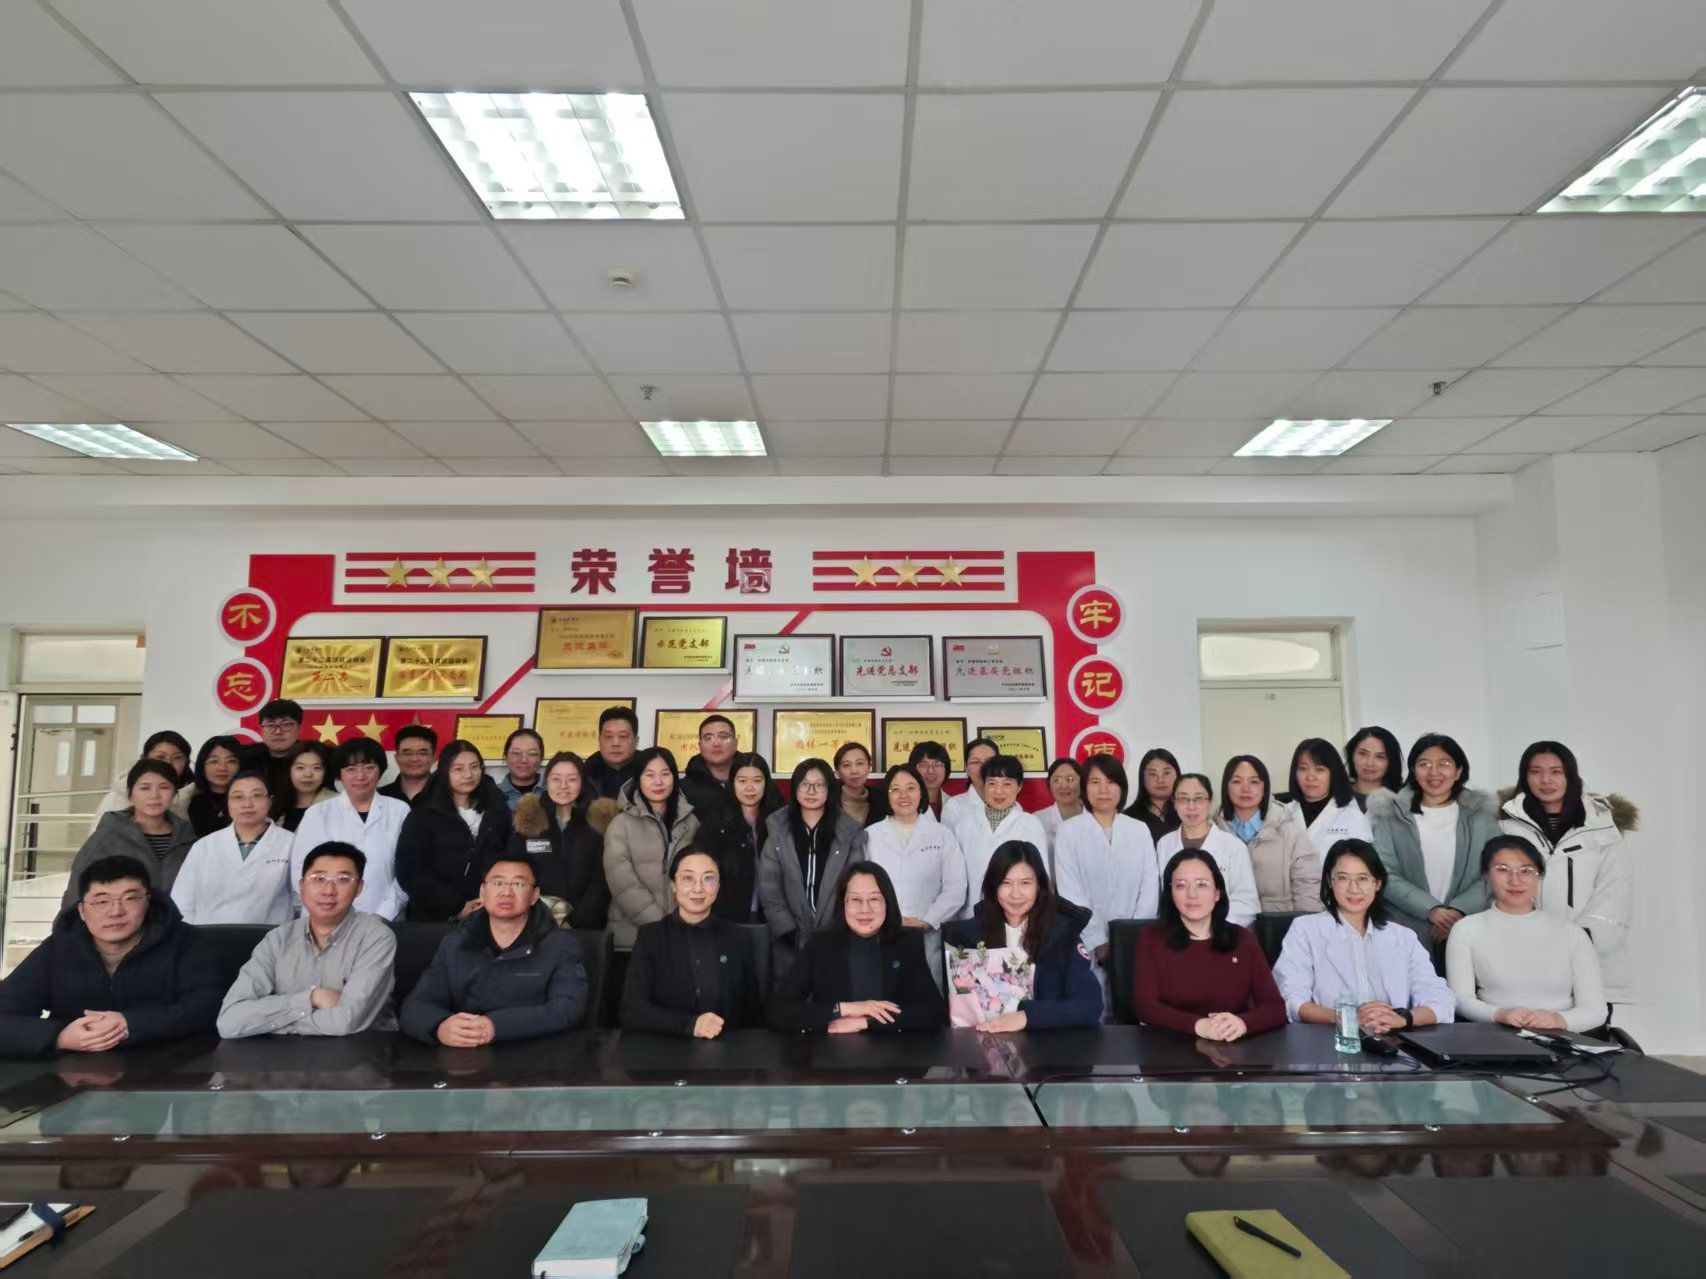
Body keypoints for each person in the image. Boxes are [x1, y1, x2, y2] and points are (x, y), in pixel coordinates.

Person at [0, 854, 221, 1056]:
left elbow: (209, 1006)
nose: (115, 911)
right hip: (74, 1071)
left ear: (148, 901)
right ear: (82, 911)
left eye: (130, 898)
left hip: (169, 1067)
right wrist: (59, 1036)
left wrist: (130, 1024)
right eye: (101, 901)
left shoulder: (184, 941)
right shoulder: (59, 948)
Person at [399, 855, 588, 1045]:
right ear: (482, 892)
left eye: (518, 884)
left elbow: (567, 1009)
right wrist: (439, 1027)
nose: (506, 892)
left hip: (535, 1053)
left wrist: (495, 1026)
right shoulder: (456, 943)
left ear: (534, 895)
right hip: (463, 1054)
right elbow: (417, 1005)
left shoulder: (560, 945)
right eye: (497, 883)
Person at [217, 842, 399, 1038]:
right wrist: (311, 998)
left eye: (343, 879)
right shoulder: (277, 939)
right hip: (285, 1053)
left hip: (361, 1049)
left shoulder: (376, 938)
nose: (328, 890)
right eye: (318, 878)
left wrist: (266, 1023)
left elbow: (345, 1022)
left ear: (359, 888)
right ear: (302, 885)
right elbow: (229, 1022)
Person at [1498, 740, 1634, 1001]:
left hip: (1594, 966)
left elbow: (1614, 896)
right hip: (1524, 964)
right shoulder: (1505, 827)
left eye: (1556, 772)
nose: (1545, 780)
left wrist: (1575, 943)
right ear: (1525, 777)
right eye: (1535, 771)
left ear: (1570, 775)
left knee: (1588, 1026)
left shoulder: (1602, 828)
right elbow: (1496, 889)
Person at [1273, 839, 1454, 1030]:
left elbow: (1441, 999)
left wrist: (1402, 1019)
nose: (1354, 889)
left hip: (1393, 1039)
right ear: (1329, 881)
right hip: (1330, 1039)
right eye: (1343, 878)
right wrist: (1347, 1018)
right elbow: (1291, 1000)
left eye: (1363, 879)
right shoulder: (1305, 930)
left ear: (1378, 884)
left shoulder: (1403, 937)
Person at [1445, 834, 1607, 1033]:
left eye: (1526, 870)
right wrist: (1499, 1014)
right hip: (1495, 1036)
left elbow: (1596, 1010)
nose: (1515, 880)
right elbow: (1460, 1000)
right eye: (1502, 869)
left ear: (1539, 876)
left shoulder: (1572, 933)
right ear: (1485, 875)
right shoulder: (1466, 929)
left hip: (1563, 1038)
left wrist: (1559, 1019)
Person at [769, 861, 944, 1034]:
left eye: (874, 899)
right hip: (832, 1048)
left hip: (892, 1048)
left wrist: (867, 1022)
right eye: (855, 900)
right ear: (843, 903)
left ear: (887, 903)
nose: (865, 909)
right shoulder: (819, 946)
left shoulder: (906, 944)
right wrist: (845, 1009)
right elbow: (778, 1011)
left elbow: (934, 1012)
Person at [943, 840, 1101, 1030]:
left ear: (1039, 886)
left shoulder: (1062, 933)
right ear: (993, 887)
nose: (1015, 894)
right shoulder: (968, 936)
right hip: (985, 1039)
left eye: (1025, 883)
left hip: (1046, 1043)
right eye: (1005, 883)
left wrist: (1027, 1017)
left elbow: (1089, 1005)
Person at [1133, 850, 1286, 1041]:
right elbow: (1146, 1007)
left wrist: (1243, 1023)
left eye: (1202, 884)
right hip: (1170, 1048)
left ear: (1217, 893)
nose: (1192, 894)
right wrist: (1198, 1025)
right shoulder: (1152, 938)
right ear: (1171, 894)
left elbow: (1275, 1008)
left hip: (1232, 1047)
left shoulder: (1242, 938)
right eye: (1181, 885)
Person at [1368, 733, 1498, 951]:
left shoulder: (1480, 815)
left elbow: (1494, 870)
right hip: (1404, 929)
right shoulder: (1390, 814)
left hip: (1468, 926)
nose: (1434, 772)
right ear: (1413, 770)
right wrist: (1431, 910)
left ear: (1458, 772)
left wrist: (1457, 911)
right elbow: (1384, 872)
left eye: (1444, 764)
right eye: (1424, 764)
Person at [619, 847, 765, 1038]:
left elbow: (754, 1013)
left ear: (718, 886)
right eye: (688, 878)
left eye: (708, 879)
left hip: (728, 1049)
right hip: (666, 1047)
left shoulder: (738, 938)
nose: (698, 888)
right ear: (673, 885)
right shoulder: (651, 938)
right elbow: (632, 1010)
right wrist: (689, 1025)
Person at [1052, 755, 1158, 1007]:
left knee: (1135, 1008)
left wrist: (1131, 935)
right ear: (1084, 788)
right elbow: (1069, 891)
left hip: (1134, 940)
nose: (1103, 790)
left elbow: (1150, 886)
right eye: (1095, 782)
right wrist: (1098, 940)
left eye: (1111, 782)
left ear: (1122, 787)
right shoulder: (1069, 831)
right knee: (1092, 1010)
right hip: (1086, 941)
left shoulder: (1139, 829)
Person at [862, 763, 967, 987]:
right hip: (880, 932)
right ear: (886, 795)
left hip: (927, 936)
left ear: (921, 793)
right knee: (882, 996)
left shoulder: (941, 834)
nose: (903, 795)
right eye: (895, 789)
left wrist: (928, 921)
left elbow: (956, 887)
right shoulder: (870, 835)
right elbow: (860, 887)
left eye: (911, 788)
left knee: (926, 996)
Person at [758, 758, 868, 969]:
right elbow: (769, 886)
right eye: (804, 784)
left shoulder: (848, 831)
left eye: (819, 785)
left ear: (830, 789)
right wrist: (787, 930)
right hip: (789, 940)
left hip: (835, 938)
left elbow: (854, 886)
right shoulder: (779, 829)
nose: (811, 791)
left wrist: (838, 929)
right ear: (795, 788)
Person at [291, 738, 411, 920]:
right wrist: (328, 908)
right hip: (325, 917)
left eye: (369, 768)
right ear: (340, 774)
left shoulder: (399, 810)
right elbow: (301, 869)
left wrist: (384, 913)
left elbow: (407, 869)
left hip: (387, 919)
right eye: (351, 769)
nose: (360, 777)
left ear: (380, 771)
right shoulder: (318, 813)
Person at [396, 740, 513, 923]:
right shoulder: (423, 814)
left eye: (474, 767)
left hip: (488, 913)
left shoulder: (497, 810)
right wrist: (457, 907)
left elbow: (509, 859)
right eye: (459, 769)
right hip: (434, 918)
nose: (468, 775)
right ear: (445, 772)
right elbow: (409, 871)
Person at [62, 759, 196, 909]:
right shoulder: (108, 836)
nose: (154, 795)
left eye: (164, 787)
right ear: (131, 794)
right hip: (117, 918)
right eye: (145, 788)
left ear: (175, 793)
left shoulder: (188, 837)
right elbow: (77, 888)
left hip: (176, 921)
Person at [602, 746, 699, 949]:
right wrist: (660, 926)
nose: (658, 782)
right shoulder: (620, 825)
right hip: (632, 938)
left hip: (683, 935)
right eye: (650, 775)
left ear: (674, 778)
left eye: (665, 774)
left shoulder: (691, 823)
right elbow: (623, 884)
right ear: (638, 779)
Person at [170, 770, 294, 925]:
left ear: (270, 800)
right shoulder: (205, 846)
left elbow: (302, 900)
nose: (247, 804)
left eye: (256, 796)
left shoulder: (291, 843)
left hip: (271, 936)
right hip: (208, 935)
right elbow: (182, 901)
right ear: (228, 802)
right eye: (238, 797)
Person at [503, 753, 609, 929]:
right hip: (534, 923)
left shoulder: (597, 823)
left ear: (582, 782)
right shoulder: (528, 820)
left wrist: (575, 920)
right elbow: (515, 874)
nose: (563, 786)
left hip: (586, 925)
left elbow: (602, 880)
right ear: (547, 782)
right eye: (556, 779)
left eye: (572, 779)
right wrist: (540, 917)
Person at [1215, 755, 1320, 915]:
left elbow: (1307, 884)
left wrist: (1305, 925)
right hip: (1230, 921)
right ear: (1226, 789)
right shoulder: (1214, 830)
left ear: (1265, 789)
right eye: (1237, 781)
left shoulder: (1288, 829)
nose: (1246, 788)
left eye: (1254, 782)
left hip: (1280, 922)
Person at [949, 754, 1047, 919]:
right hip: (971, 916)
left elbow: (1041, 876)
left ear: (1019, 786)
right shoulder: (964, 826)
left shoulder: (1031, 824)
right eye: (992, 783)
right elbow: (955, 878)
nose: (998, 791)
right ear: (983, 785)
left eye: (1007, 784)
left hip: (1018, 916)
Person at [1155, 773, 1259, 926]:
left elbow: (1246, 903)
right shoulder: (1164, 844)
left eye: (1198, 799)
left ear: (1210, 801)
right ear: (1174, 803)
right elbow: (1162, 897)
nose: (1191, 806)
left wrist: (1207, 926)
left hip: (1222, 931)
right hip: (1176, 930)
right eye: (1183, 799)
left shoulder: (1233, 846)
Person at [696, 751, 782, 926]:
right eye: (742, 781)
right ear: (732, 783)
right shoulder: (716, 822)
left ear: (766, 783)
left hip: (771, 918)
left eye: (757, 781)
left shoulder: (779, 821)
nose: (749, 788)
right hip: (726, 918)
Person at [1285, 738, 1372, 864]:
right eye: (1303, 768)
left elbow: (1364, 867)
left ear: (1333, 773)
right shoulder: (1283, 814)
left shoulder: (1354, 818)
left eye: (1319, 769)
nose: (1310, 777)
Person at [93, 730, 193, 819]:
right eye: (160, 757)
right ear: (145, 759)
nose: (168, 762)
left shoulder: (194, 796)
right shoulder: (117, 798)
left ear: (186, 762)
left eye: (177, 758)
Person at [679, 714, 741, 821]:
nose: (716, 743)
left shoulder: (756, 782)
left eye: (723, 737)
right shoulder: (682, 790)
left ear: (735, 743)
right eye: (708, 738)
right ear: (700, 746)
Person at [185, 734, 243, 838]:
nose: (222, 768)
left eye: (231, 761)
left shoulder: (250, 801)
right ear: (202, 765)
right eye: (214, 761)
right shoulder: (188, 802)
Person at [941, 737, 999, 838]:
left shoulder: (1012, 805)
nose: (982, 768)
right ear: (966, 768)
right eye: (976, 762)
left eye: (989, 761)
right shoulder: (954, 807)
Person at [1124, 748, 1182, 844]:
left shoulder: (1188, 812)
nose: (1160, 780)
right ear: (1142, 778)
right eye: (1153, 774)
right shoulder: (1128, 818)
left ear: (1177, 775)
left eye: (1166, 773)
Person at [583, 706, 640, 801]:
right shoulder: (583, 775)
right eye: (608, 736)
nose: (615, 743)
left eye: (623, 736)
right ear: (599, 740)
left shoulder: (650, 774)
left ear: (636, 741)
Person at [251, 698, 305, 797]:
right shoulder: (247, 759)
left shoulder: (313, 757)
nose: (278, 732)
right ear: (261, 730)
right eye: (270, 725)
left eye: (286, 725)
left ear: (299, 729)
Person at [1035, 757, 1084, 865]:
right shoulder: (1037, 820)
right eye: (1057, 780)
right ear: (1049, 785)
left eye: (1070, 779)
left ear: (1082, 783)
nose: (1064, 786)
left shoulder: (1095, 817)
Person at [1345, 726, 1404, 812]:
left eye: (1380, 757)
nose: (1370, 763)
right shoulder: (1336, 796)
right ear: (1352, 755)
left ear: (1391, 762)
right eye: (1363, 754)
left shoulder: (1404, 799)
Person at [379, 724, 437, 807]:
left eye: (422, 753)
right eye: (407, 753)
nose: (414, 759)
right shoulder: (379, 797)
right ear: (397, 758)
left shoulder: (448, 796)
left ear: (433, 758)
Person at [834, 741, 889, 828]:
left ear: (869, 767)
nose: (854, 771)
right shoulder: (828, 800)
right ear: (837, 772)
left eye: (860, 763)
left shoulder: (883, 799)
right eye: (846, 765)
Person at [495, 728, 545, 810]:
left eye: (532, 754)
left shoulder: (553, 792)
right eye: (516, 753)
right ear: (506, 757)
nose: (524, 760)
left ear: (541, 758)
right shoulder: (492, 794)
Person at [908, 740, 952, 819]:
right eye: (923, 765)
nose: (930, 771)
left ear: (946, 769)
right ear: (912, 768)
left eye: (937, 764)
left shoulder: (954, 804)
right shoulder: (903, 803)